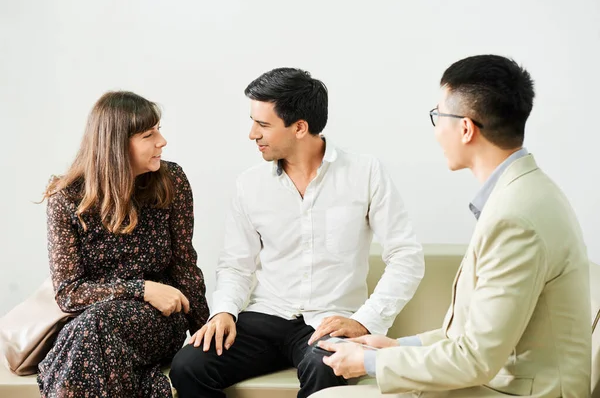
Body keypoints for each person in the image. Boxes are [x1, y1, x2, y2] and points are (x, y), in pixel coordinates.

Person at [313, 54, 591, 398]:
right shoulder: (526, 192)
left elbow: (476, 359)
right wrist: (395, 346)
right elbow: (473, 337)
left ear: (465, 128)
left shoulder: (515, 218)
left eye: (438, 116)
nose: (436, 130)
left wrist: (369, 364)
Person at [169, 68, 425, 398]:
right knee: (188, 366)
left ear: (300, 127)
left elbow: (406, 257)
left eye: (263, 125)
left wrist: (365, 321)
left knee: (325, 367)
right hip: (266, 316)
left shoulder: (365, 173)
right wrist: (223, 312)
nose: (252, 134)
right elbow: (236, 265)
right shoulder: (250, 184)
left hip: (331, 322)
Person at [37, 91, 209, 397]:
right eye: (148, 134)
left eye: (158, 129)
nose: (162, 141)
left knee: (92, 330)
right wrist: (142, 289)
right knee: (93, 328)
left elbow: (184, 264)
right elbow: (69, 293)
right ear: (116, 145)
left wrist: (205, 330)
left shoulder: (172, 181)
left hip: (158, 321)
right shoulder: (66, 198)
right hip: (92, 326)